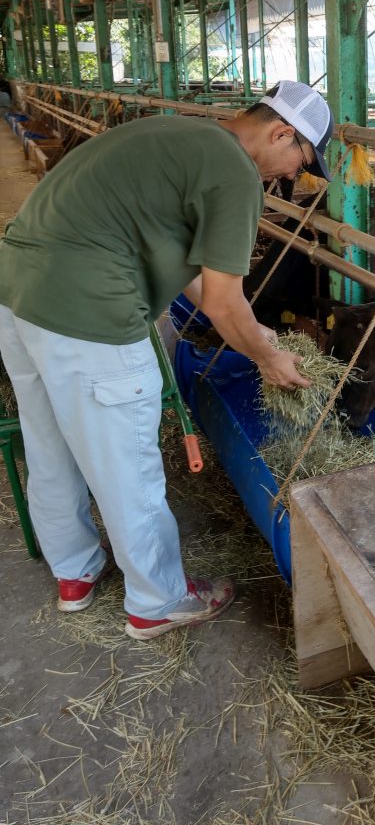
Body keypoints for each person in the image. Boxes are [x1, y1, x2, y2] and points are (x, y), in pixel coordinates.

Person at [0, 80, 335, 639]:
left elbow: (204, 281)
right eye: (299, 161)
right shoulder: (234, 174)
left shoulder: (175, 136)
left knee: (49, 439)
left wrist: (253, 335)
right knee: (125, 464)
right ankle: (156, 602)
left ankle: (74, 574)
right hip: (93, 313)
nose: (289, 177)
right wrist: (267, 356)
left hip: (19, 297)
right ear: (281, 132)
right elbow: (226, 304)